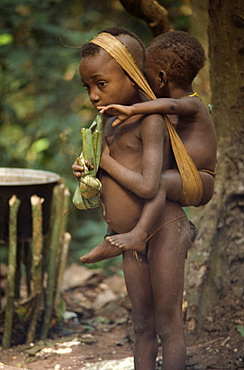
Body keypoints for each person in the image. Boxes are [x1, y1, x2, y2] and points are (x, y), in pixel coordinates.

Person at [72, 28, 191, 370]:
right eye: (88, 87)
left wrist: (105, 161)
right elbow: (109, 174)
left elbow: (147, 185)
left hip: (163, 229)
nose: (94, 95)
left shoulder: (149, 119)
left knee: (168, 326)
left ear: (131, 75)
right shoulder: (109, 121)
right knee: (142, 326)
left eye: (101, 83)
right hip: (129, 240)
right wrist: (89, 171)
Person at [94, 30, 217, 253]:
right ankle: (115, 233)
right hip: (182, 177)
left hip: (200, 180)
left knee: (159, 182)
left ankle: (139, 234)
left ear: (160, 78)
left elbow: (171, 106)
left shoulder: (192, 104)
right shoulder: (162, 115)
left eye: (146, 76)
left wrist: (132, 109)